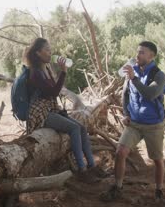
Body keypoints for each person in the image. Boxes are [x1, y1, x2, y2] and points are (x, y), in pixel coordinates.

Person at [25, 38, 105, 183]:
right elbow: (53, 92)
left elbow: (54, 91)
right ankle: (82, 170)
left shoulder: (45, 68)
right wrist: (63, 72)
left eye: (50, 49)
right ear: (38, 53)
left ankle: (92, 166)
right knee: (74, 128)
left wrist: (61, 73)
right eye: (47, 50)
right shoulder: (35, 72)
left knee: (81, 127)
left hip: (50, 109)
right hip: (41, 113)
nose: (50, 53)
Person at [101, 41, 165, 202]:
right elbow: (125, 94)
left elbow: (150, 94)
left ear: (152, 56)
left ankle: (159, 190)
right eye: (137, 52)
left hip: (154, 125)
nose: (138, 55)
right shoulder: (132, 71)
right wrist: (125, 113)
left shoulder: (158, 75)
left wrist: (134, 78)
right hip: (134, 124)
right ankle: (117, 187)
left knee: (157, 160)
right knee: (120, 152)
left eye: (142, 52)